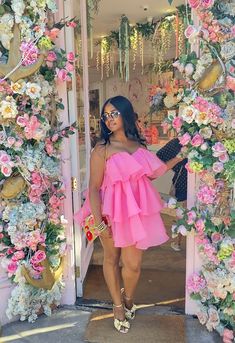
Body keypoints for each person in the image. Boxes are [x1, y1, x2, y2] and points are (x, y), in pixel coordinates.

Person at [74, 96, 182, 334]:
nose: (109, 119)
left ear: (125, 114)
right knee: (111, 259)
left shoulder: (139, 145)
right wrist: (99, 222)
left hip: (135, 213)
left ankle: (129, 298)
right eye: (106, 115)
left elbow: (151, 174)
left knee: (132, 265)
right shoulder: (101, 149)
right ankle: (117, 306)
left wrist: (180, 158)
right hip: (109, 213)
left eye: (114, 113)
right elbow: (93, 188)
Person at [156, 138, 187, 251]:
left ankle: (178, 242)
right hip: (195, 183)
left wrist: (176, 164)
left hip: (182, 181)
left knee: (182, 214)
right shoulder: (209, 141)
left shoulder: (179, 142)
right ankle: (179, 241)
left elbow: (159, 157)